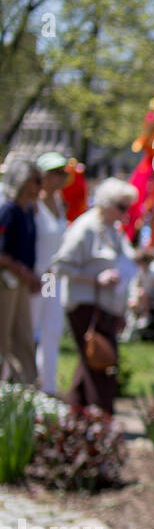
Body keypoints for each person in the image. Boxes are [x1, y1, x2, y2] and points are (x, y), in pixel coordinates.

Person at [49, 178, 139, 413]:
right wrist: (96, 278)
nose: (125, 212)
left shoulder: (115, 230)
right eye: (121, 207)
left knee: (91, 360)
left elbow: (127, 262)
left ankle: (75, 412)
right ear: (106, 203)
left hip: (107, 306)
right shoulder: (85, 228)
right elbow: (60, 266)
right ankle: (103, 417)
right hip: (86, 306)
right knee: (101, 362)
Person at [0, 159, 43, 384]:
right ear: (24, 182)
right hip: (7, 282)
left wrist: (32, 275)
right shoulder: (9, 210)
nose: (40, 187)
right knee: (3, 337)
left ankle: (27, 385)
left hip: (23, 282)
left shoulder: (29, 212)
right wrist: (19, 269)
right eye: (37, 181)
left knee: (25, 335)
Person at [30, 153, 70, 394]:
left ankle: (48, 386)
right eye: (55, 173)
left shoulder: (59, 202)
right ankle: (23, 381)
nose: (61, 178)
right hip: (36, 276)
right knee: (32, 327)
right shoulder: (34, 204)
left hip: (53, 278)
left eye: (63, 173)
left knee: (52, 329)